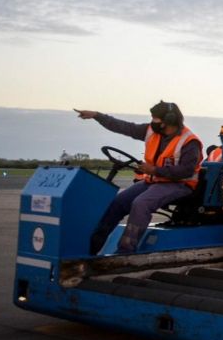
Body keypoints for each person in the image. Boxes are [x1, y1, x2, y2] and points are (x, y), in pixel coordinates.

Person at [76, 101, 202, 254]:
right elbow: (123, 126)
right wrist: (97, 115)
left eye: (155, 118)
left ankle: (125, 252)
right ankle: (90, 248)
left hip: (179, 185)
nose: (152, 122)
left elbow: (186, 171)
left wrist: (155, 170)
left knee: (140, 204)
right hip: (153, 181)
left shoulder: (189, 142)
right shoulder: (151, 131)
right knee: (117, 202)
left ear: (168, 120)